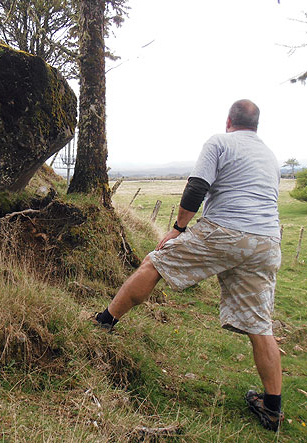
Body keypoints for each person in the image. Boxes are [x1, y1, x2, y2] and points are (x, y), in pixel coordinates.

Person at [93, 99, 284, 432]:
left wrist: (179, 228)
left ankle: (104, 321)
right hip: (266, 243)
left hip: (225, 231)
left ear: (229, 121)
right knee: (260, 324)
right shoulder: (270, 156)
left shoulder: (219, 142)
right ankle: (272, 409)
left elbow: (197, 186)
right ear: (256, 125)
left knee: (155, 262)